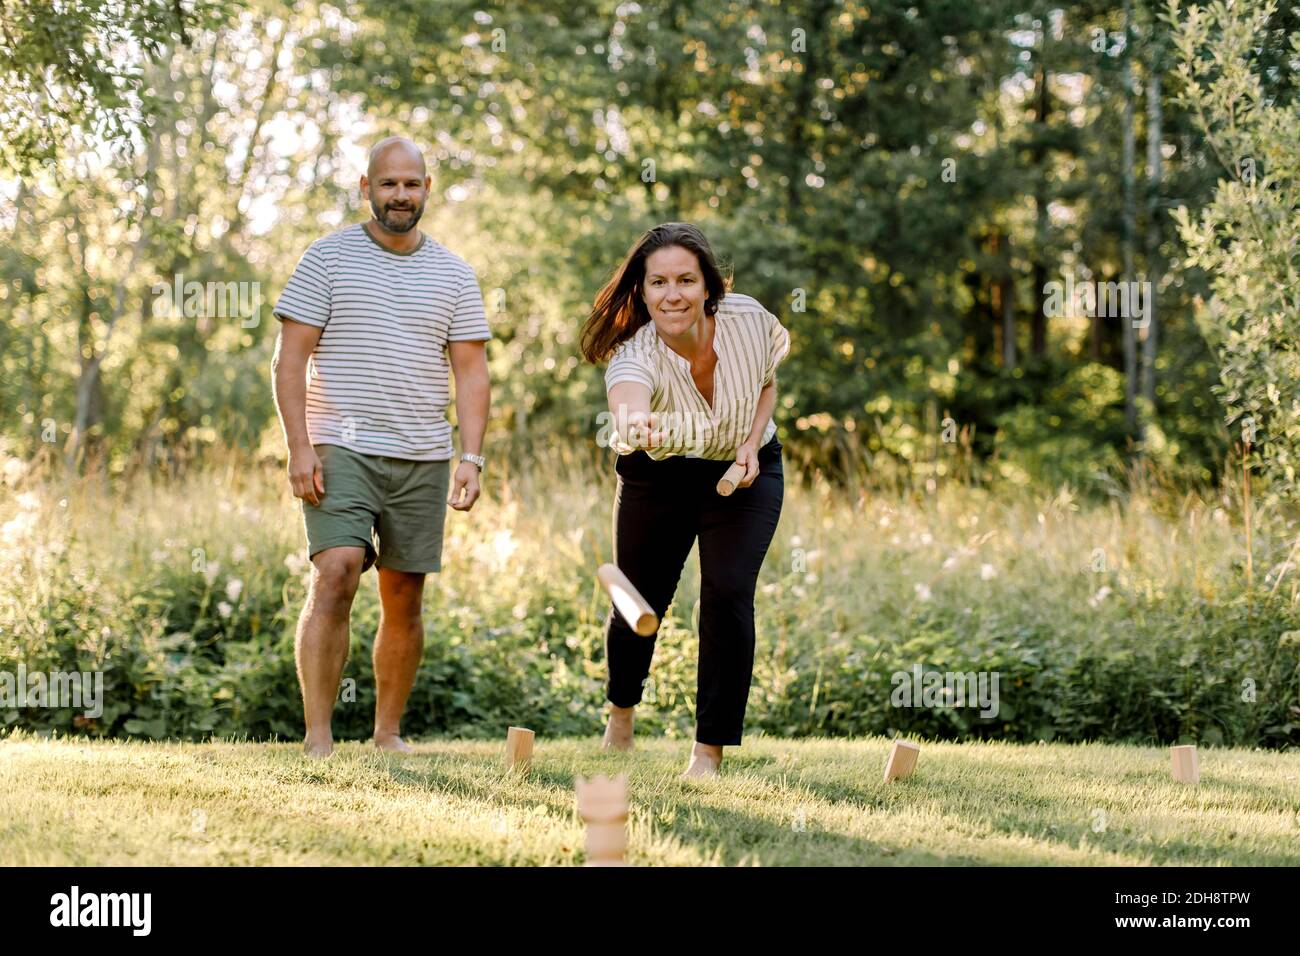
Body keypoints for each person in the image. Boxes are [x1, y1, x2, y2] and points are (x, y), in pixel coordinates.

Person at [270, 136, 491, 758]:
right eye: (388, 184)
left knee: (404, 595)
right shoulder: (327, 258)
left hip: (423, 452)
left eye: (412, 184)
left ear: (426, 189)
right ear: (366, 188)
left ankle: (387, 733)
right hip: (340, 444)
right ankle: (318, 735)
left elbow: (473, 374)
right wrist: (299, 448)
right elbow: (289, 362)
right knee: (337, 572)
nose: (401, 195)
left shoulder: (453, 273)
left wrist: (470, 458)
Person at [580, 222, 791, 778]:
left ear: (708, 286)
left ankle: (708, 752)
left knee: (727, 592)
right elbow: (625, 404)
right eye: (658, 283)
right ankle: (621, 713)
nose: (672, 295)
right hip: (659, 478)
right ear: (642, 292)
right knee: (637, 601)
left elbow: (767, 382)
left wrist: (749, 444)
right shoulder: (635, 353)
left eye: (685, 280)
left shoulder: (749, 319)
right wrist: (635, 421)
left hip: (745, 474)